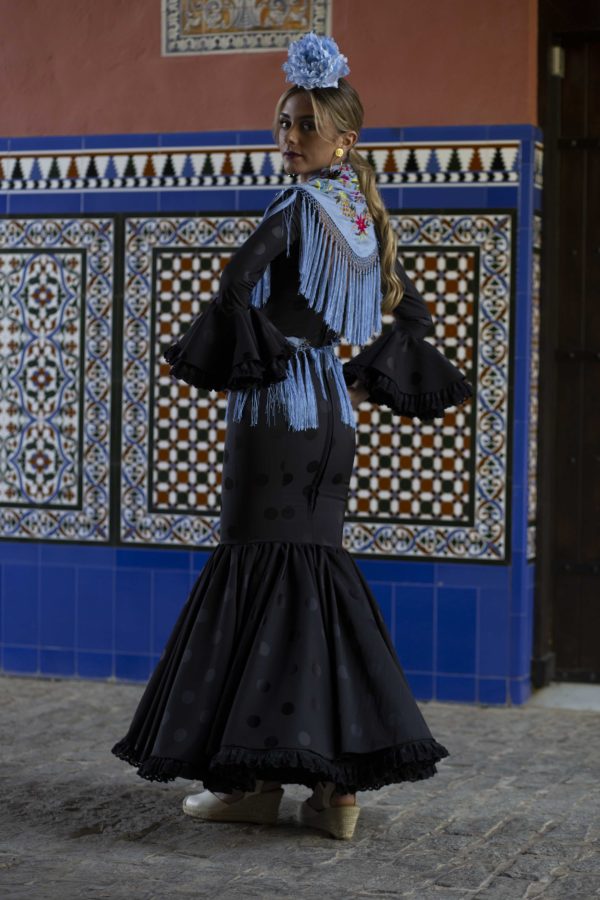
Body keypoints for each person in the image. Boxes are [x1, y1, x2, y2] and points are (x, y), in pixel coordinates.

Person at [111, 33, 473, 841]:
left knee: (260, 582)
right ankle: (335, 792)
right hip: (331, 424)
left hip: (277, 419)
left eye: (304, 125)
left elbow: (236, 284)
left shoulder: (302, 205)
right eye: (282, 121)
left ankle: (253, 781)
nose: (288, 136)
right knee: (309, 586)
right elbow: (409, 315)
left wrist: (266, 355)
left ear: (344, 137)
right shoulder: (361, 213)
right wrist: (340, 370)